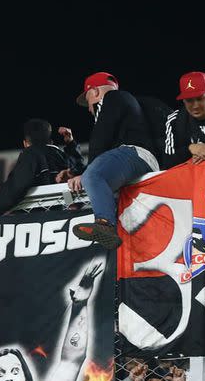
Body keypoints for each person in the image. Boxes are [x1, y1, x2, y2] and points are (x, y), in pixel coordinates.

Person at [68, 72, 158, 249]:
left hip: (136, 154)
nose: (89, 108)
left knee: (92, 176)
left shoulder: (112, 97)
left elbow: (101, 135)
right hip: (139, 160)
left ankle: (105, 225)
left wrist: (87, 171)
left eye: (88, 102)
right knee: (97, 182)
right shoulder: (127, 102)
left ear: (94, 92)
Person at [0, 119, 85, 217]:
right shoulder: (61, 155)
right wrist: (71, 144)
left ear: (25, 143)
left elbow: (16, 187)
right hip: (65, 216)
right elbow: (79, 170)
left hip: (38, 221)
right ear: (51, 141)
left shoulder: (30, 154)